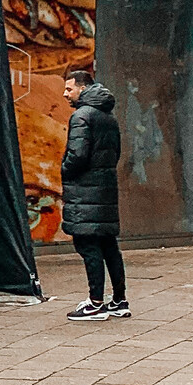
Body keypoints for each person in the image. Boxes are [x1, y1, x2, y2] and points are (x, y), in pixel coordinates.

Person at [61, 70, 129, 321]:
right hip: (104, 189)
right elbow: (115, 153)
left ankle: (95, 303)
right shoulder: (107, 116)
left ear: (83, 88)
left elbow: (77, 156)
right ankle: (120, 301)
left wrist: (65, 171)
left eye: (69, 89)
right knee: (109, 246)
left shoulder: (81, 116)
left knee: (88, 245)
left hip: (85, 192)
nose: (65, 94)